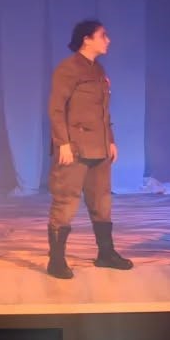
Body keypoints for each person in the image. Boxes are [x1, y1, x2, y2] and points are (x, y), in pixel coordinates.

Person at [46, 19, 134, 279]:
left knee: (102, 201)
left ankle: (105, 253)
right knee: (66, 201)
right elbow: (56, 109)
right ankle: (56, 261)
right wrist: (62, 143)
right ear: (87, 39)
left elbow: (103, 112)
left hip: (100, 147)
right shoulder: (68, 68)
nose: (108, 40)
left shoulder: (98, 70)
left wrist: (111, 140)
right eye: (103, 35)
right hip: (74, 147)